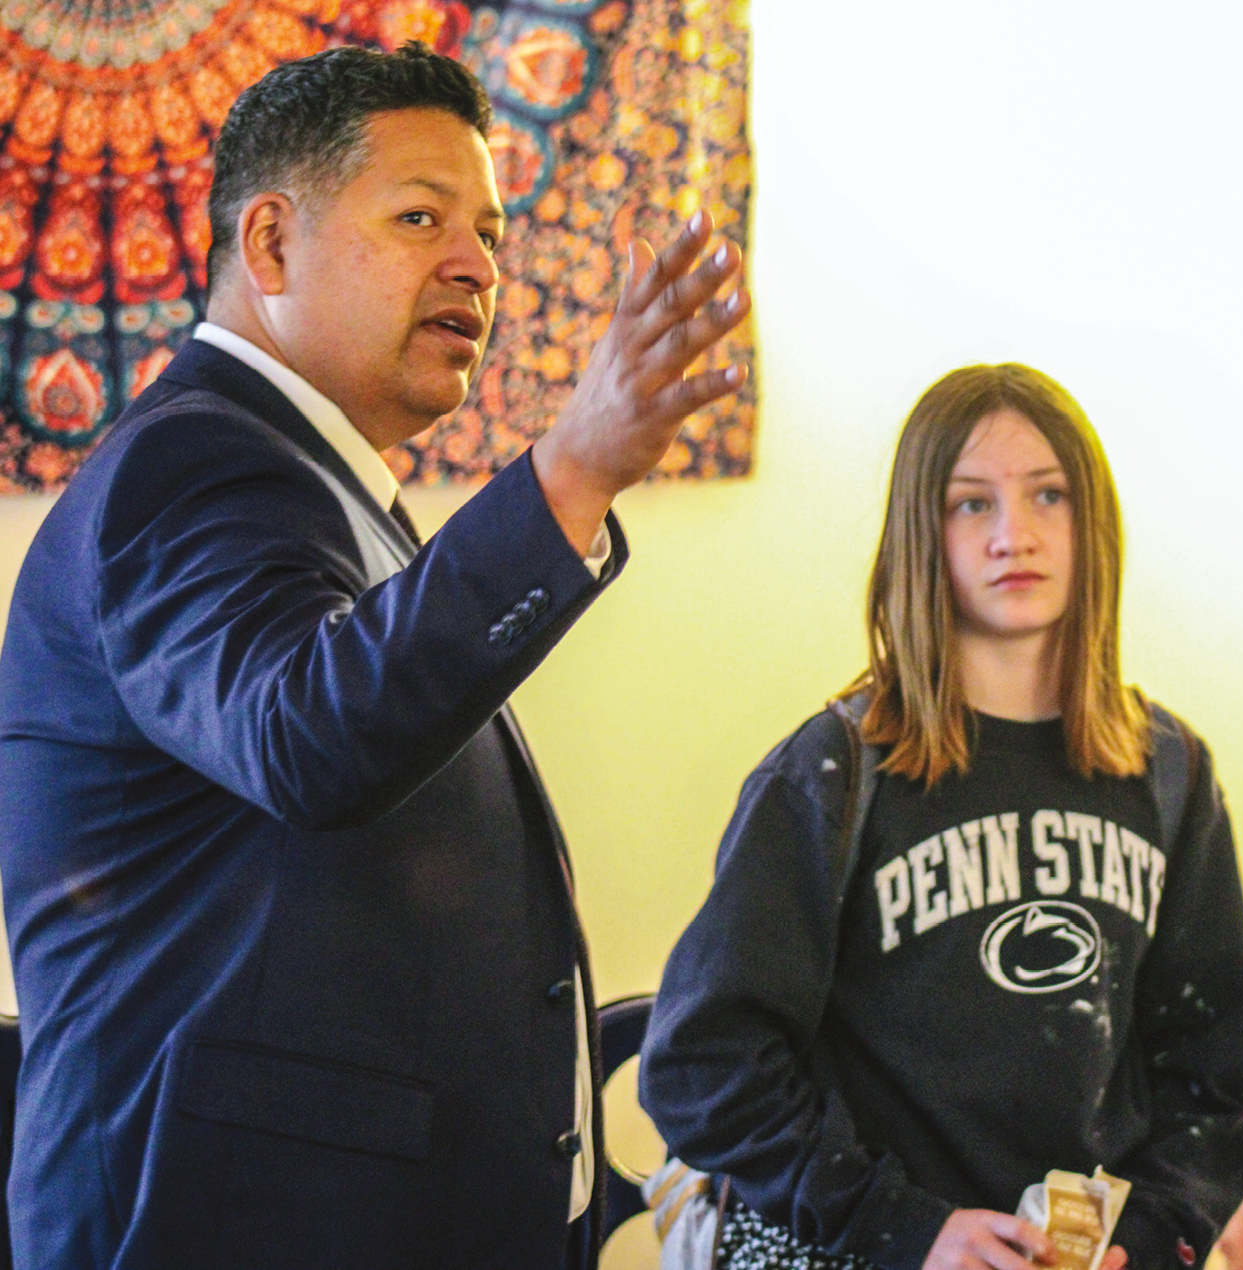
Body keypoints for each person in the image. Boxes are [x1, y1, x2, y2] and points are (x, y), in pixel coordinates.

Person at [0, 42, 747, 1270]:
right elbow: (309, 735)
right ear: (271, 246)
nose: (477, 264)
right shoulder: (189, 467)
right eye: (420, 218)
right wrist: (572, 470)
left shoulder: (321, 491)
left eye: (492, 235)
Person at [639, 364, 1243, 1270]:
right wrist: (905, 1227)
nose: (1016, 533)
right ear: (918, 534)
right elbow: (702, 1064)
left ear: (1094, 522)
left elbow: (1214, 1081)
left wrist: (1145, 1239)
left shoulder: (1169, 772)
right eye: (972, 504)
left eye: (1048, 494)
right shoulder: (834, 772)